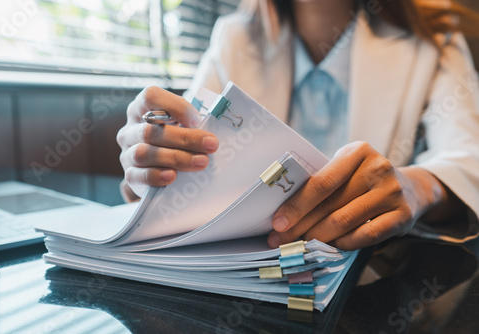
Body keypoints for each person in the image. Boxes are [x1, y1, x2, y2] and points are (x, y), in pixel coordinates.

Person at [116, 0, 479, 250]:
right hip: (245, 279)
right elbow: (182, 163)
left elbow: (468, 160)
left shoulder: (434, 37)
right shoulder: (233, 38)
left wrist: (415, 188)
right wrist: (152, 162)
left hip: (375, 280)